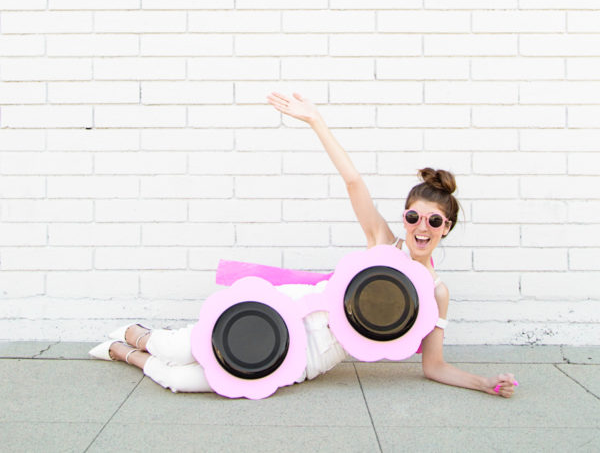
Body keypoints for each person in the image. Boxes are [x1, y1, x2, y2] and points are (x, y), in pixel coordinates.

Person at [89, 91, 517, 398]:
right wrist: (317, 121)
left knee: (181, 381)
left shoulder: (436, 293)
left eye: (433, 221)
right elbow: (353, 182)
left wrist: (483, 384)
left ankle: (121, 353)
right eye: (413, 216)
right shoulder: (385, 246)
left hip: (313, 354)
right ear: (404, 220)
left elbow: (434, 366)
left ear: (447, 228)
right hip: (290, 308)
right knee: (175, 348)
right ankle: (136, 333)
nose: (421, 226)